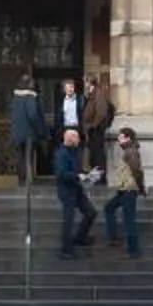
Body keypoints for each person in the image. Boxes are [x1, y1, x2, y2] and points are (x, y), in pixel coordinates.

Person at [52, 128, 97, 257]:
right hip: (66, 190)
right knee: (69, 219)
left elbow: (77, 169)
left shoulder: (75, 152)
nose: (79, 140)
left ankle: (79, 238)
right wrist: (78, 176)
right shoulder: (61, 154)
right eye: (76, 137)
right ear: (69, 138)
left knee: (91, 212)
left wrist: (88, 175)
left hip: (77, 189)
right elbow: (61, 174)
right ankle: (66, 250)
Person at [104, 127, 145, 260]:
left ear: (128, 138)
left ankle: (134, 251)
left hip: (128, 190)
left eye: (121, 137)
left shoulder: (131, 152)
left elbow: (136, 171)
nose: (118, 140)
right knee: (109, 208)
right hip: (124, 190)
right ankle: (114, 238)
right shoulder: (128, 151)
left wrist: (140, 187)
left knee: (129, 220)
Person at [8, 68, 44, 189]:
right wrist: (40, 130)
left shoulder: (15, 98)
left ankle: (21, 180)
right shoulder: (30, 97)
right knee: (28, 157)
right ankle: (29, 182)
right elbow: (33, 114)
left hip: (17, 132)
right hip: (29, 132)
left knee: (20, 156)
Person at [80, 74, 115, 173]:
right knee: (94, 152)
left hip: (97, 129)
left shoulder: (98, 93)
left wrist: (93, 125)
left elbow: (101, 112)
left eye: (85, 82)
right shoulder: (92, 94)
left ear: (89, 82)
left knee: (97, 153)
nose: (84, 84)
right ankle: (96, 173)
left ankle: (100, 175)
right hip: (93, 128)